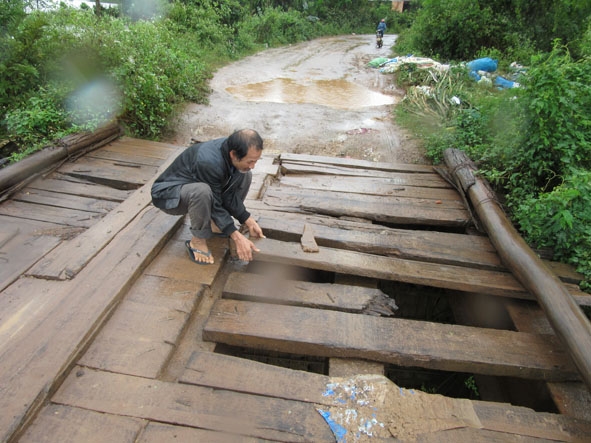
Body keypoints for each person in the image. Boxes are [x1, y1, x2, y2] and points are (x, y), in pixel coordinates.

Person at [151, 128, 265, 265]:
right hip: (169, 195)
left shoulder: (231, 149)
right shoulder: (208, 161)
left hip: (201, 190)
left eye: (255, 161)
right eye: (250, 161)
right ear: (234, 154)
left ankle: (215, 224)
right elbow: (215, 202)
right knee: (201, 191)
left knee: (245, 174)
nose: (253, 166)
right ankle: (197, 241)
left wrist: (247, 219)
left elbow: (228, 194)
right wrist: (236, 236)